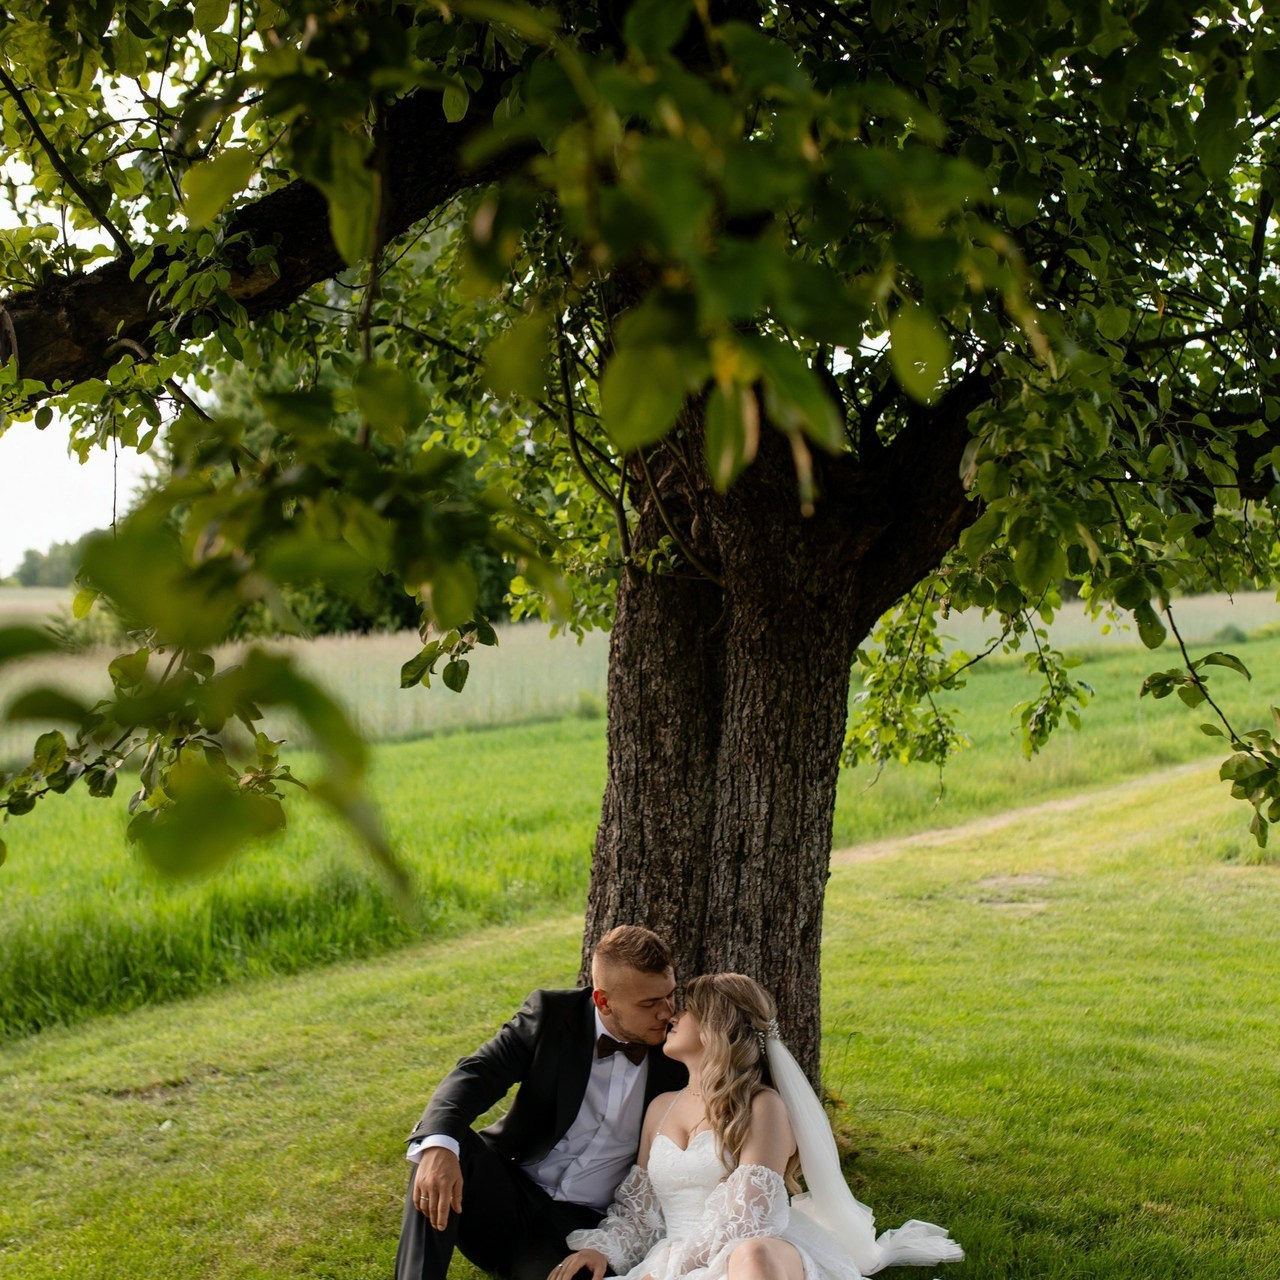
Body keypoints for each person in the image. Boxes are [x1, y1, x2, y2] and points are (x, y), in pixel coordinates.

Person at [552, 974, 963, 1280]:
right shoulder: (660, 1107)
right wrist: (603, 1250)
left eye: (687, 1009)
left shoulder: (762, 1107)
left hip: (746, 1252)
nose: (672, 1015)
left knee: (753, 1255)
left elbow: (748, 1219)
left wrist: (673, 1269)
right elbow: (642, 1212)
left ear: (715, 1026)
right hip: (673, 1254)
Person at [394, 925, 687, 1280]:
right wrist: (438, 1145)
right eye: (650, 1003)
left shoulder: (679, 1053)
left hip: (579, 1227)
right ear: (603, 1002)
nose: (666, 1012)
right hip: (507, 1190)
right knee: (441, 1149)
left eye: (670, 995)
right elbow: (477, 1074)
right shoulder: (551, 1015)